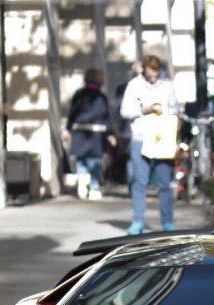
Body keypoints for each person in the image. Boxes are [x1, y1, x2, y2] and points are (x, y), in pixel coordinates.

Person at [120, 55, 181, 234]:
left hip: (162, 137)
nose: (153, 78)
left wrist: (165, 112)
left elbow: (175, 109)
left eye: (155, 74)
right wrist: (144, 109)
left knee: (164, 182)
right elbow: (124, 111)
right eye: (149, 74)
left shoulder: (167, 85)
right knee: (140, 182)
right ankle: (138, 221)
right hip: (141, 136)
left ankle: (167, 222)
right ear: (144, 71)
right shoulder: (134, 85)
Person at [64, 68, 115, 200]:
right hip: (96, 133)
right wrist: (110, 133)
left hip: (80, 131)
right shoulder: (101, 97)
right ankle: (94, 185)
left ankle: (82, 179)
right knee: (95, 160)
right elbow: (106, 116)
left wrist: (68, 129)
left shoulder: (79, 94)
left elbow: (72, 113)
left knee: (81, 159)